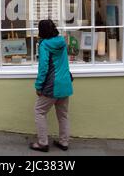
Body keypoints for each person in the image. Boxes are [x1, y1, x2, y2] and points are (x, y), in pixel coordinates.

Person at [30, 19, 73, 152]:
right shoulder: (62, 41)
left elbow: (43, 68)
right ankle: (64, 142)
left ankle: (43, 143)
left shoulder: (44, 45)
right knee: (63, 115)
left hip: (52, 85)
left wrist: (38, 85)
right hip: (65, 83)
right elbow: (64, 63)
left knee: (39, 111)